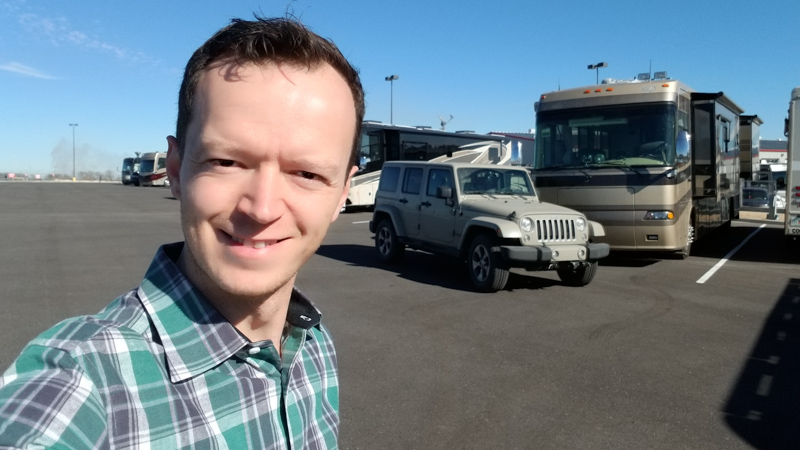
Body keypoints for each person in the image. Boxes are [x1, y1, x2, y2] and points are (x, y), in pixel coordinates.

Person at [0, 16, 363, 449]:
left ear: (343, 191)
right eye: (226, 162)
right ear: (175, 170)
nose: (262, 208)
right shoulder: (84, 379)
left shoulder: (313, 344)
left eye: (306, 173)